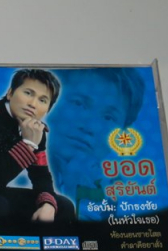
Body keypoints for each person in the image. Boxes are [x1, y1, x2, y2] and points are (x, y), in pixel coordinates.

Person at [0, 69, 74, 228]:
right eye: (28, 93)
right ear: (10, 93)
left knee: (63, 206)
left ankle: (42, 243)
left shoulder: (36, 130)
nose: (33, 104)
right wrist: (28, 144)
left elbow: (41, 176)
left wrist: (47, 204)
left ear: (48, 109)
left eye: (43, 100)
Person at [46, 68, 146, 219]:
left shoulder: (114, 191)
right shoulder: (14, 168)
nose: (90, 127)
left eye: (108, 117)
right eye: (78, 103)